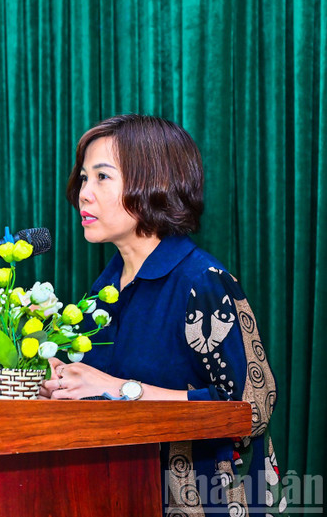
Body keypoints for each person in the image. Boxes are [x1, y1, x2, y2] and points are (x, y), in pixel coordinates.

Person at [40, 114, 287, 516]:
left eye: (102, 177)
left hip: (208, 500)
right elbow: (97, 392)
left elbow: (252, 407)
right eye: (84, 178)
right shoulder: (103, 289)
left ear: (154, 183)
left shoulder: (201, 282)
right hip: (123, 492)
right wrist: (61, 381)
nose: (84, 194)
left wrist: (122, 389)